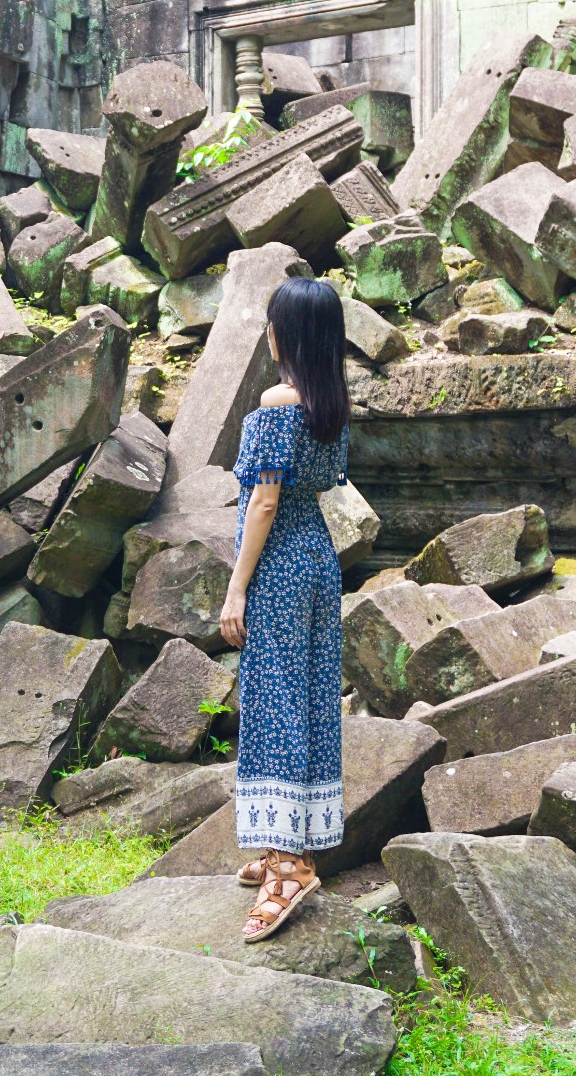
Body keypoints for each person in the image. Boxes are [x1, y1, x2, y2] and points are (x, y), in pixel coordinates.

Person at [218, 276, 352, 943]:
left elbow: (263, 503)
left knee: (273, 703)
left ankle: (289, 867)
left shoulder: (277, 401)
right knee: (310, 699)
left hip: (275, 566)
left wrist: (236, 586)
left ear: (285, 335)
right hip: (319, 563)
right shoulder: (330, 405)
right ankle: (286, 846)